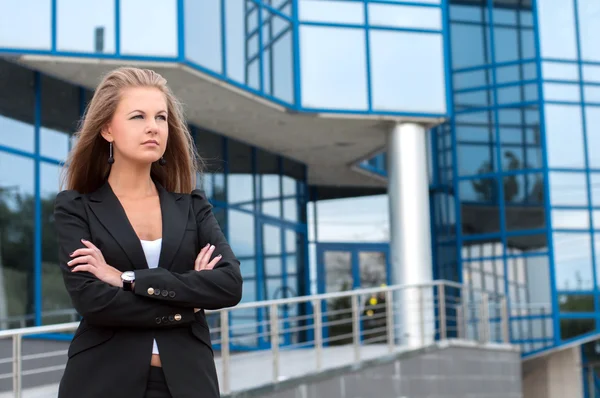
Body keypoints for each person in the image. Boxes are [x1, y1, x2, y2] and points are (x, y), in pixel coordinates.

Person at [54, 67, 243, 398]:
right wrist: (189, 303)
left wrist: (126, 280)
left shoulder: (193, 207)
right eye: (138, 116)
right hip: (101, 381)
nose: (153, 127)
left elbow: (228, 285)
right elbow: (94, 302)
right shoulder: (76, 209)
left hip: (188, 383)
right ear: (107, 129)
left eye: (161, 118)